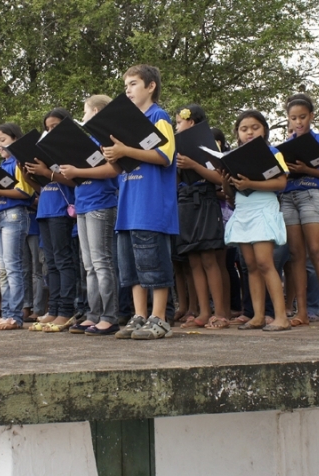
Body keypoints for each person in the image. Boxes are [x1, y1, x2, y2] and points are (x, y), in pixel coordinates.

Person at [102, 64, 178, 340]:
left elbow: (164, 155)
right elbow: (119, 168)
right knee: (131, 266)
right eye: (126, 86)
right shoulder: (124, 126)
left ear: (150, 86)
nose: (128, 90)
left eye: (133, 84)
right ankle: (139, 316)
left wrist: (125, 149)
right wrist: (114, 154)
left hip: (151, 206)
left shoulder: (159, 118)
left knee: (153, 263)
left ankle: (159, 317)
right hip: (128, 207)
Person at [59, 94, 123, 336]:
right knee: (89, 266)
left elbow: (112, 170)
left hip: (101, 204)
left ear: (96, 112)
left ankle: (109, 316)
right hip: (84, 204)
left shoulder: (107, 139)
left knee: (101, 262)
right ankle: (93, 314)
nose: (83, 116)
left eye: (85, 111)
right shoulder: (86, 140)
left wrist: (77, 169)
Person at [222, 110, 290, 331]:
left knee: (264, 263)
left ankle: (281, 317)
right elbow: (231, 194)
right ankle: (258, 316)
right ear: (237, 134)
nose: (249, 132)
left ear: (264, 130)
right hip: (242, 209)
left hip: (263, 208)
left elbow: (280, 184)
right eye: (244, 129)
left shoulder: (273, 152)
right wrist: (226, 183)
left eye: (254, 127)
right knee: (249, 265)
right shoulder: (234, 156)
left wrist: (251, 183)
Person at [280, 94, 319, 328]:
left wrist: (307, 169)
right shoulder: (284, 145)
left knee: (316, 251)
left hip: (312, 195)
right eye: (293, 118)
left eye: (302, 117)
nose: (298, 122)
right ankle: (302, 312)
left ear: (311, 116)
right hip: (288, 197)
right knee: (296, 255)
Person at [172, 104, 228, 329]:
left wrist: (193, 164)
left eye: (178, 122)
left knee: (208, 257)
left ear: (191, 122)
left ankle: (221, 313)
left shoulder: (209, 144)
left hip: (204, 199)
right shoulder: (176, 146)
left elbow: (218, 178)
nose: (176, 127)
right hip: (184, 201)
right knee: (193, 258)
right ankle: (203, 312)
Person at [24, 109, 79, 333]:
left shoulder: (70, 148)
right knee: (51, 263)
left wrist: (46, 172)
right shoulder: (45, 149)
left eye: (55, 126)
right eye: (48, 128)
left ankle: (66, 309)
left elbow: (75, 181)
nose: (50, 130)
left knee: (63, 259)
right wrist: (32, 176)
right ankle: (54, 308)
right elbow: (46, 186)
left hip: (61, 210)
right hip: (45, 208)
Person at [0, 123, 35, 330]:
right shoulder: (0, 166)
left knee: (13, 267)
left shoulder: (18, 163)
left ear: (15, 140)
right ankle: (7, 312)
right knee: (2, 269)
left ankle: (15, 316)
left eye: (3, 140)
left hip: (14, 215)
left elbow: (25, 193)